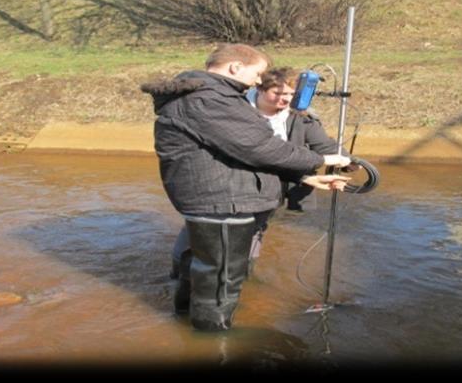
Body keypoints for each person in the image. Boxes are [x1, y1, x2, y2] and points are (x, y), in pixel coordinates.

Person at [141, 43, 351, 331]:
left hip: (221, 197)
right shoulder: (209, 98)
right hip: (223, 200)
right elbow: (259, 147)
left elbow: (238, 153)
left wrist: (305, 177)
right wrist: (321, 159)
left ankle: (185, 322)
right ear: (235, 67)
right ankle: (212, 339)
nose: (258, 81)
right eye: (258, 73)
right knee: (221, 278)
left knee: (207, 271)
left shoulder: (211, 95)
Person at [169, 67, 353, 281]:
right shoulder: (235, 111)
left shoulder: (300, 117)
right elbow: (251, 153)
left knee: (253, 234)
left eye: (290, 94)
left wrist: (350, 163)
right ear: (260, 89)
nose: (284, 100)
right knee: (199, 233)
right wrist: (305, 175)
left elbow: (325, 146)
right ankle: (179, 277)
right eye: (277, 93)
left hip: (269, 190)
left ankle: (238, 279)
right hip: (227, 185)